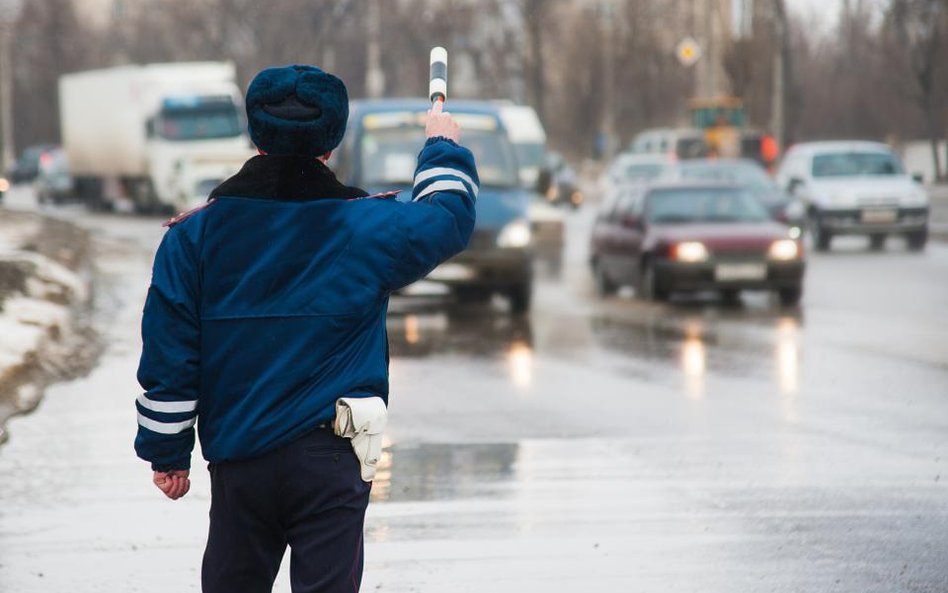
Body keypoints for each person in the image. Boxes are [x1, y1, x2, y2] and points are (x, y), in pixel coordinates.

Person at [134, 64, 478, 593]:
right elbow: (447, 219)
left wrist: (168, 452)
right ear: (333, 140)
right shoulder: (368, 228)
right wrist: (440, 145)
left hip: (239, 459)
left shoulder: (194, 236)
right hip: (331, 462)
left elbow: (170, 350)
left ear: (255, 133)